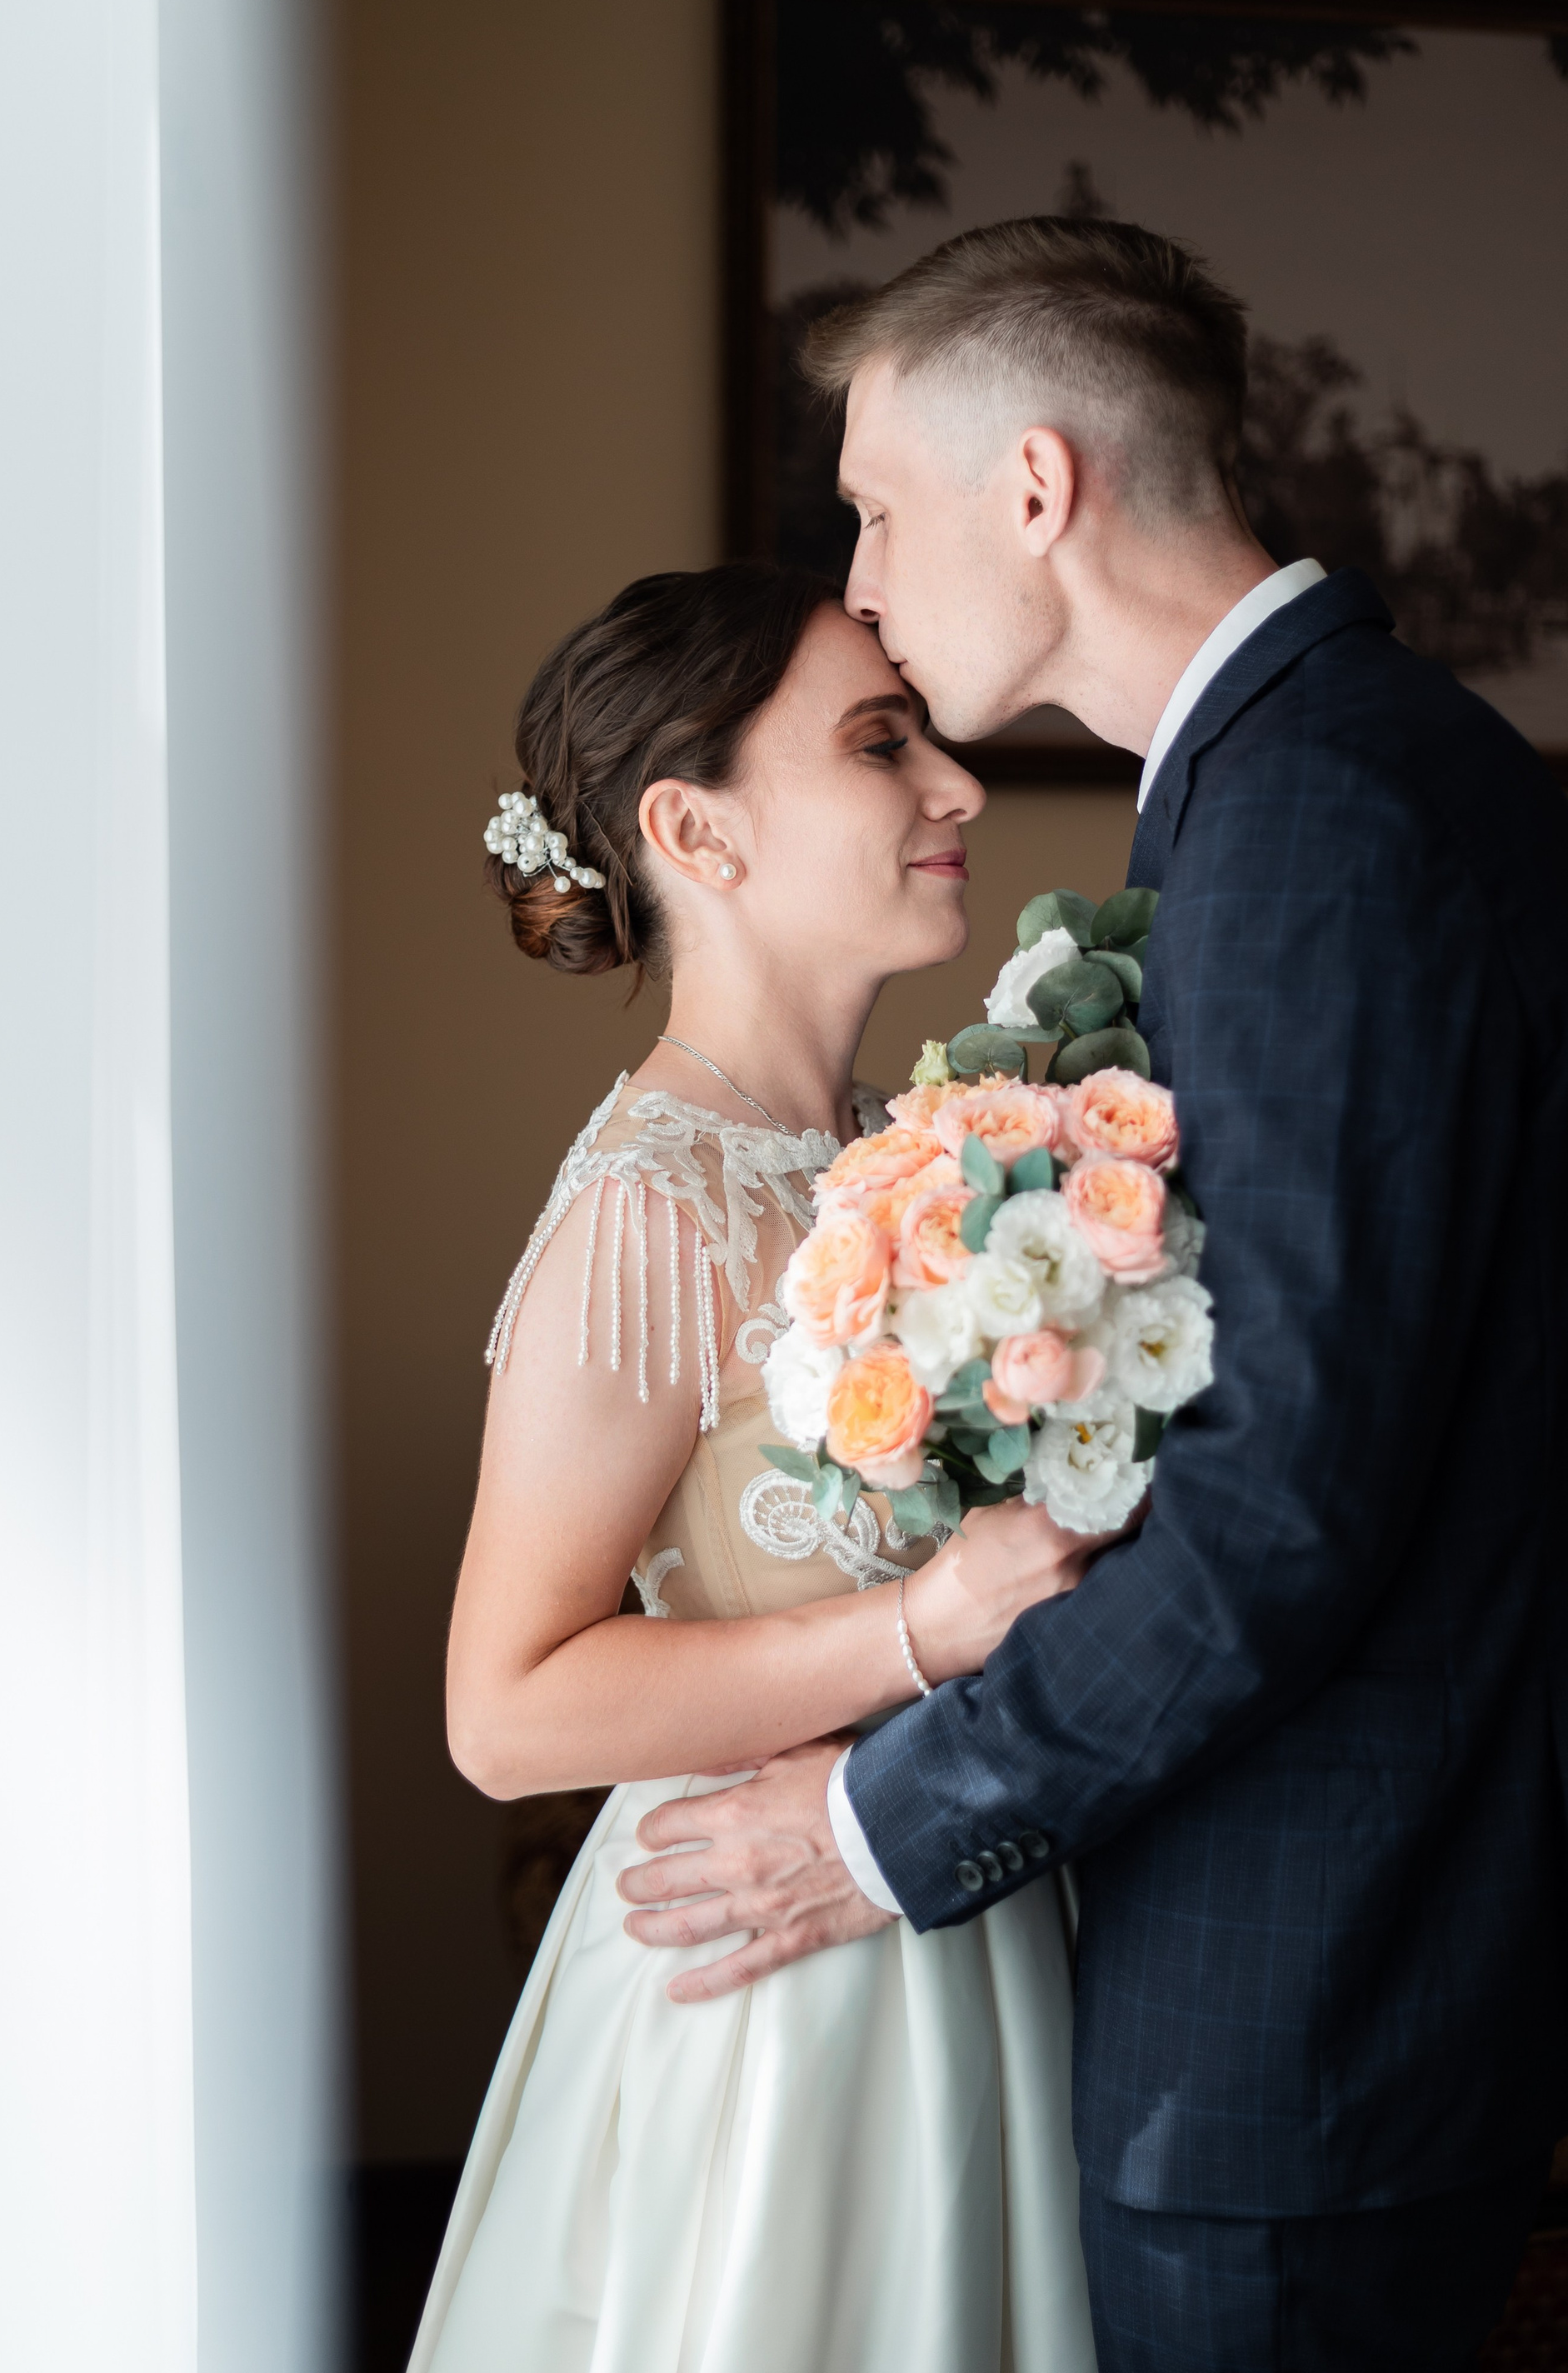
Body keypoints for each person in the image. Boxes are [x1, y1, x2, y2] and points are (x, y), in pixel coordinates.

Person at [618, 217, 1568, 2371]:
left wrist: (884, 1829)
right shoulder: (1305, 776)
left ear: (1036, 487)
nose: (861, 580)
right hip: (1330, 1952)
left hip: (1310, 1983)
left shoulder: (1317, 814)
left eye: (877, 508)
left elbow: (1287, 1499)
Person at [407, 560, 1105, 2372]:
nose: (957, 786)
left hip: (979, 1919)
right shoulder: (647, 1212)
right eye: (881, 744)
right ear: (693, 830)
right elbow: (505, 1709)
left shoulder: (908, 1149)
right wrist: (921, 1631)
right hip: (781, 2010)